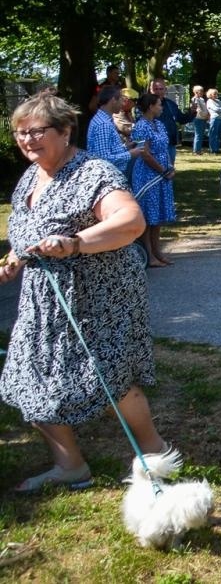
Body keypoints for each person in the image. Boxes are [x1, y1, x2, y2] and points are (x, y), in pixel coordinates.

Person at [0, 92, 171, 493]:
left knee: (113, 377)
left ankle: (154, 454)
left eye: (37, 132)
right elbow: (28, 233)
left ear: (65, 130)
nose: (27, 140)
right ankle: (70, 466)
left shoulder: (93, 172)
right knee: (27, 377)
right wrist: (15, 257)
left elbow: (131, 221)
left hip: (99, 296)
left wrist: (75, 242)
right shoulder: (31, 176)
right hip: (43, 301)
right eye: (19, 133)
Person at [130, 94, 177, 267]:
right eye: (159, 105)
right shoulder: (141, 126)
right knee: (148, 216)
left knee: (157, 217)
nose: (162, 107)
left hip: (163, 173)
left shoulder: (159, 124)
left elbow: (165, 147)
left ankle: (158, 251)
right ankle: (149, 256)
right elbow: (144, 153)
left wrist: (170, 166)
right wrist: (162, 170)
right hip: (148, 175)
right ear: (150, 106)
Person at [86, 85, 137, 180]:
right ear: (113, 100)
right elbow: (104, 159)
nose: (123, 103)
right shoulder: (103, 124)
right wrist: (130, 154)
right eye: (121, 99)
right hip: (107, 178)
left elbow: (108, 150)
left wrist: (126, 147)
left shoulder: (105, 120)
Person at [148, 78, 187, 162]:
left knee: (169, 170)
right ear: (151, 90)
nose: (158, 91)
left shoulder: (170, 104)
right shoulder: (144, 104)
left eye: (161, 89)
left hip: (170, 143)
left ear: (165, 90)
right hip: (153, 145)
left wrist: (193, 112)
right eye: (156, 89)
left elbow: (181, 119)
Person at [188, 84, 210, 155]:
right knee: (198, 135)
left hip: (203, 118)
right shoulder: (195, 99)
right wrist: (205, 115)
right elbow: (198, 110)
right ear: (196, 92)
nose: (202, 92)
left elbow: (205, 109)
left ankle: (199, 149)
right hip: (198, 118)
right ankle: (196, 151)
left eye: (202, 91)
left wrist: (207, 115)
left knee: (201, 135)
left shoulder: (202, 99)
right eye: (200, 91)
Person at [205, 88, 221, 154]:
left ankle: (217, 149)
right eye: (214, 94)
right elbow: (216, 109)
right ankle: (212, 149)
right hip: (214, 118)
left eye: (216, 93)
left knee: (219, 134)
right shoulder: (209, 101)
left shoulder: (219, 101)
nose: (216, 95)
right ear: (210, 95)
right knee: (213, 134)